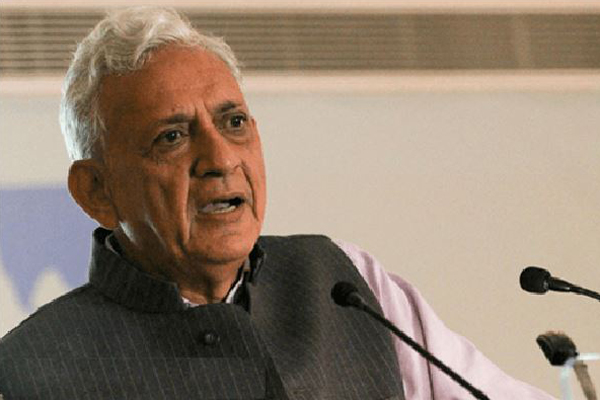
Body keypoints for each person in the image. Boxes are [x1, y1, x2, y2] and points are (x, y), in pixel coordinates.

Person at [0, 7, 555, 400]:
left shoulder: (347, 283)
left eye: (234, 122)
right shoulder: (28, 372)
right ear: (96, 191)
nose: (220, 158)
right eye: (172, 137)